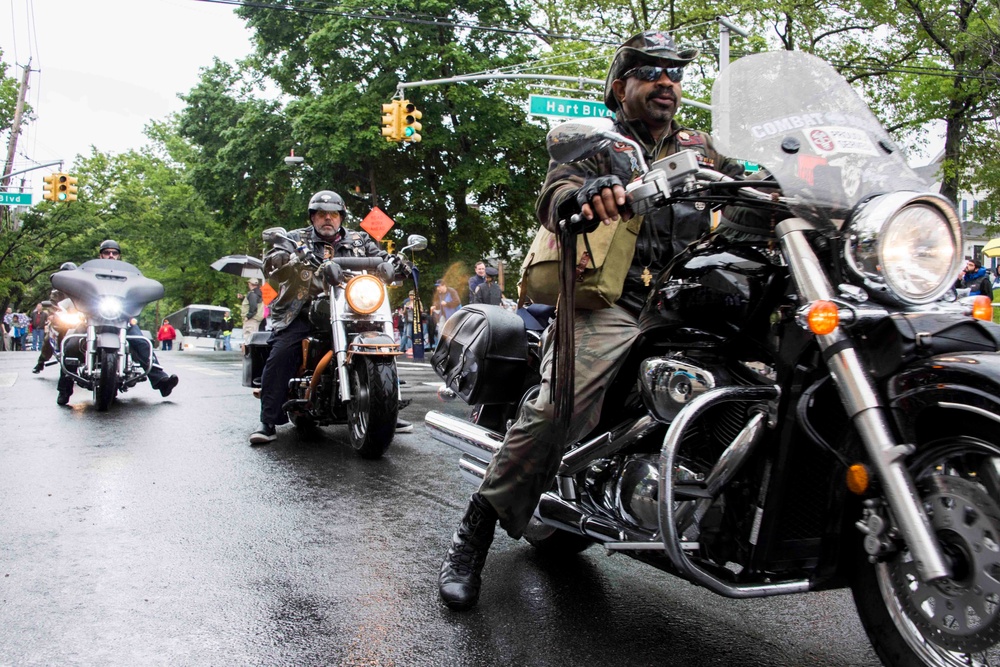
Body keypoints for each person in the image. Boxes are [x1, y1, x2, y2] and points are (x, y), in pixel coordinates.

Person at [437, 29, 744, 611]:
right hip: (617, 304)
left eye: (674, 73)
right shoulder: (599, 144)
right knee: (557, 407)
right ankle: (473, 534)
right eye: (651, 71)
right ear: (620, 85)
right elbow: (555, 196)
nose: (666, 82)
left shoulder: (701, 150)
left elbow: (751, 180)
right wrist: (586, 195)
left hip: (691, 303)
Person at [250, 190, 410, 444]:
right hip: (304, 310)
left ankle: (384, 410)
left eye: (333, 214)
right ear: (312, 218)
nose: (328, 219)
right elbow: (272, 264)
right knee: (282, 352)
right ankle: (267, 421)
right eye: (322, 214)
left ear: (341, 217)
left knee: (379, 343)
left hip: (352, 307)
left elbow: (380, 257)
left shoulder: (359, 241)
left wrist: (396, 263)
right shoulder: (295, 239)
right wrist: (287, 258)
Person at [56, 240, 179, 406]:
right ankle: (64, 390)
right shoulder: (89, 272)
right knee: (70, 344)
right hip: (91, 318)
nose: (111, 255)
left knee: (141, 343)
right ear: (101, 255)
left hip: (122, 319)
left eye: (114, 253)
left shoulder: (129, 276)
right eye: (107, 252)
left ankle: (161, 382)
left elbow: (139, 287)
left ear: (119, 255)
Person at [240, 278, 264, 344]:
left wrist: (247, 317)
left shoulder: (252, 294)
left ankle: (249, 353)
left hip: (251, 320)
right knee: (253, 337)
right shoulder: (259, 293)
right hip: (256, 319)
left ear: (250, 284)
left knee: (248, 337)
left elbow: (253, 307)